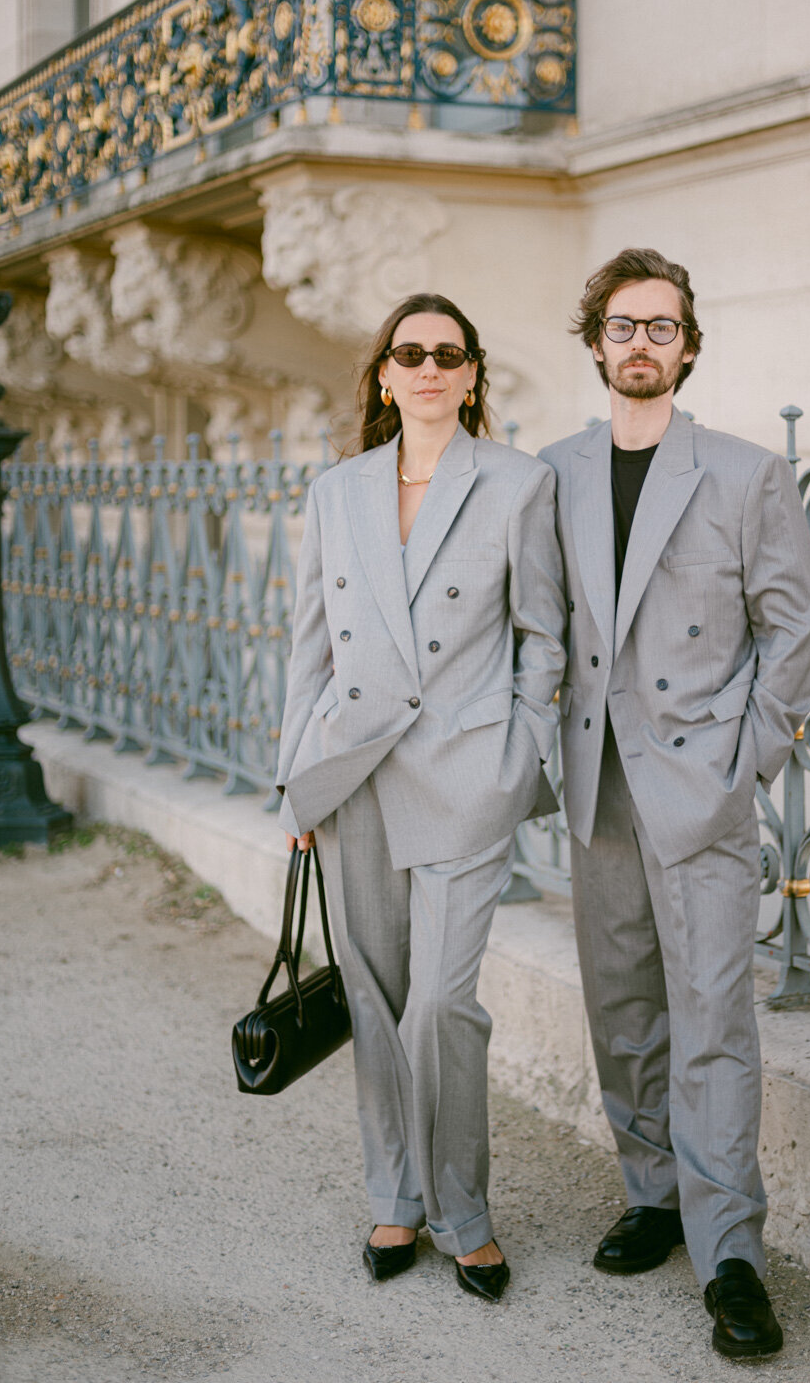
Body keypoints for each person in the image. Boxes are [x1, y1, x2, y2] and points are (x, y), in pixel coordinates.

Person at [539, 248, 810, 1358]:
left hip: (698, 782)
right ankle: (652, 1193)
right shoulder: (552, 471)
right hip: (597, 778)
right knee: (623, 1007)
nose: (642, 343)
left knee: (712, 1018)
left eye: (662, 327)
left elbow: (794, 635)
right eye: (623, 326)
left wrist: (743, 762)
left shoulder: (744, 474)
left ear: (689, 346)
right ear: (597, 343)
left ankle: (732, 1253)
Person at [275, 293, 566, 1303]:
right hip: (353, 770)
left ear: (473, 375)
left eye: (449, 353)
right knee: (376, 996)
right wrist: (295, 778)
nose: (430, 367)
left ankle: (465, 1211)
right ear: (385, 375)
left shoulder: (519, 485)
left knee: (442, 1003)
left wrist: (518, 754)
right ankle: (396, 1194)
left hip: (466, 771)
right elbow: (311, 646)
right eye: (411, 352)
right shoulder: (335, 491)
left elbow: (544, 633)